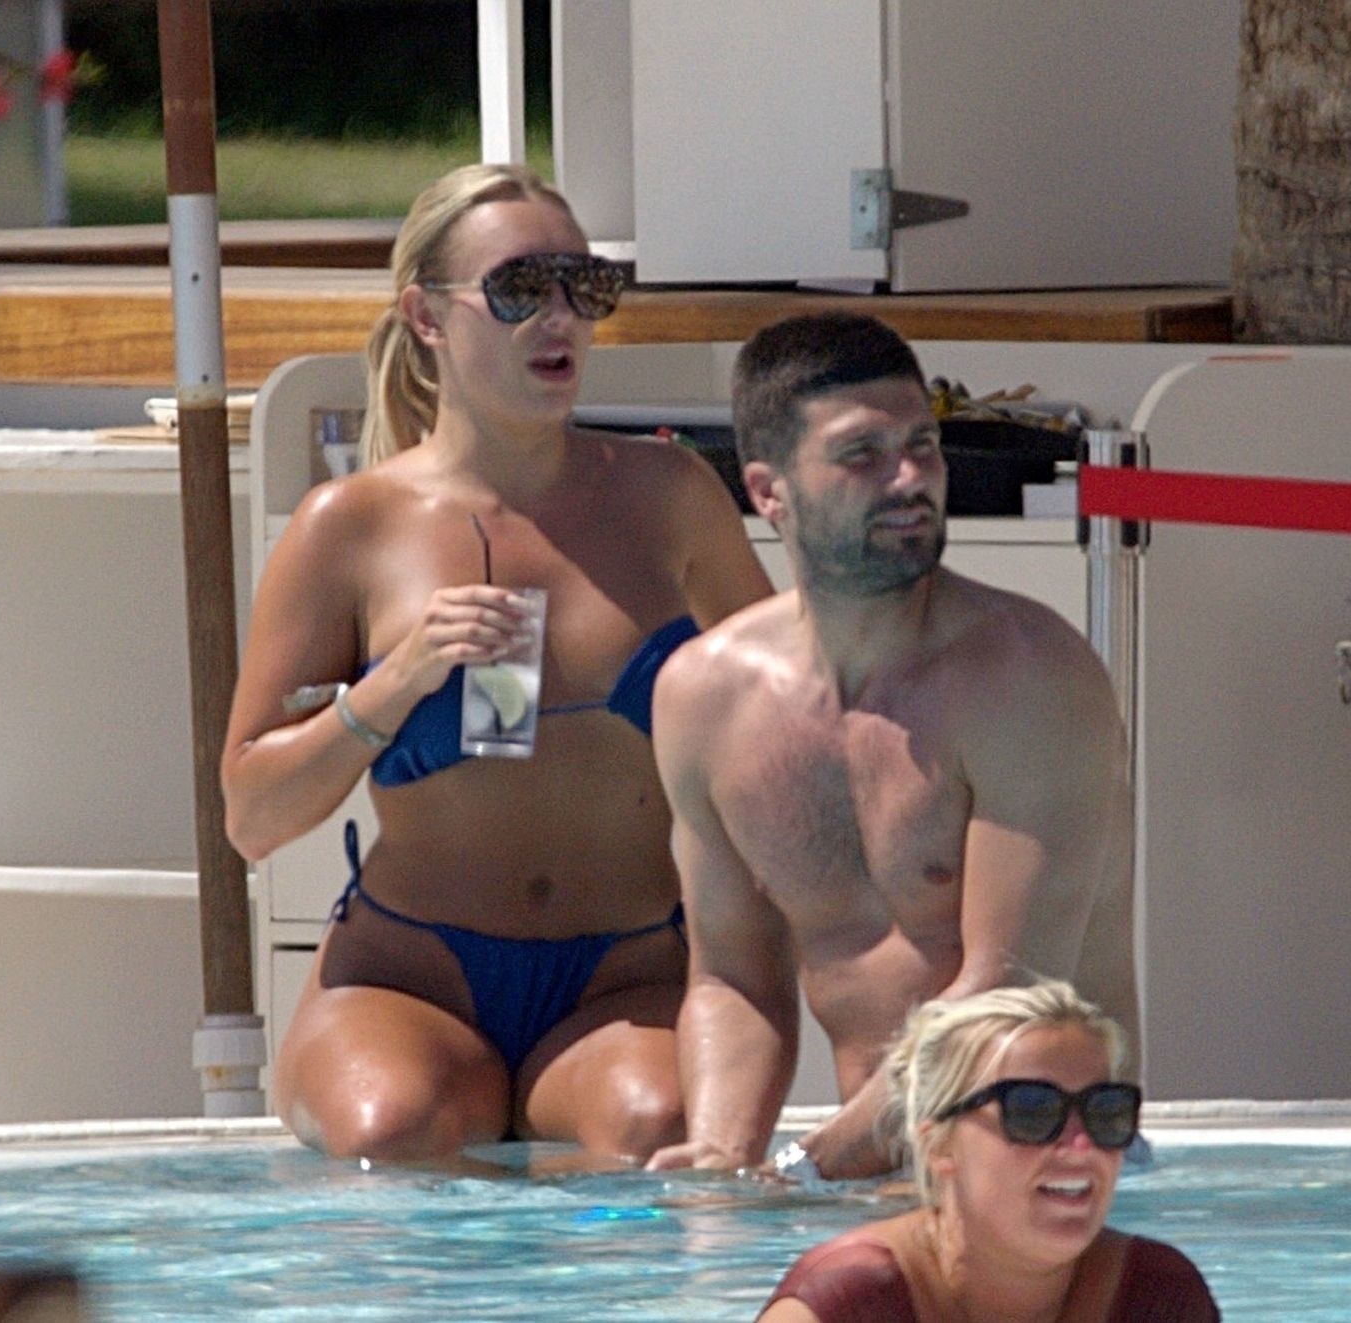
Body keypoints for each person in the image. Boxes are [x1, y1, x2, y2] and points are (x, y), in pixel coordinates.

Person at [221, 164, 771, 1163]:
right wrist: (395, 683)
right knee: (390, 1130)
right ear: (426, 317)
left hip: (628, 974)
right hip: (411, 975)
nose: (559, 317)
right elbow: (252, 817)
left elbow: (793, 724)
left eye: (584, 286)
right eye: (519, 289)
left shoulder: (671, 499)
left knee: (660, 1132)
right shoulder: (351, 525)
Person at [646, 312, 1137, 1180]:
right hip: (859, 1176)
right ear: (768, 491)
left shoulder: (1031, 677)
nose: (909, 478)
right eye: (862, 454)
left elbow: (1006, 1002)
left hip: (1041, 1168)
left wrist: (803, 1170)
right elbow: (733, 978)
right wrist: (722, 1161)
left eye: (922, 446)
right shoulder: (704, 697)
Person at [760, 981, 1218, 1323]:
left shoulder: (1157, 1297)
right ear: (938, 1144)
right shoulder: (848, 1301)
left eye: (1106, 1112)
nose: (1081, 1146)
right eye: (1032, 1111)